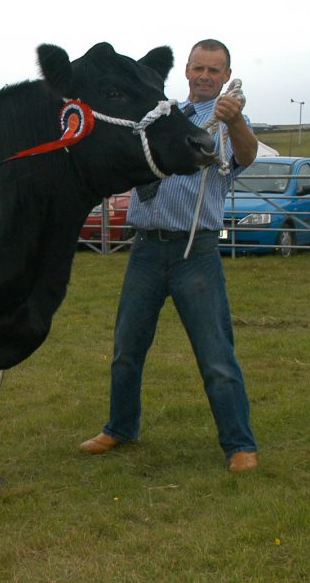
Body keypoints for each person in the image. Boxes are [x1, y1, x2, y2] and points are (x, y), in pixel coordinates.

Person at [79, 39, 260, 472]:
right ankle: (121, 427)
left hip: (194, 250)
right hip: (144, 248)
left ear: (225, 75)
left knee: (215, 354)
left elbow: (247, 155)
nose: (204, 77)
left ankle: (239, 444)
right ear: (186, 71)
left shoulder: (226, 120)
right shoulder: (162, 114)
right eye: (198, 68)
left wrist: (234, 123)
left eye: (214, 71)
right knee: (126, 349)